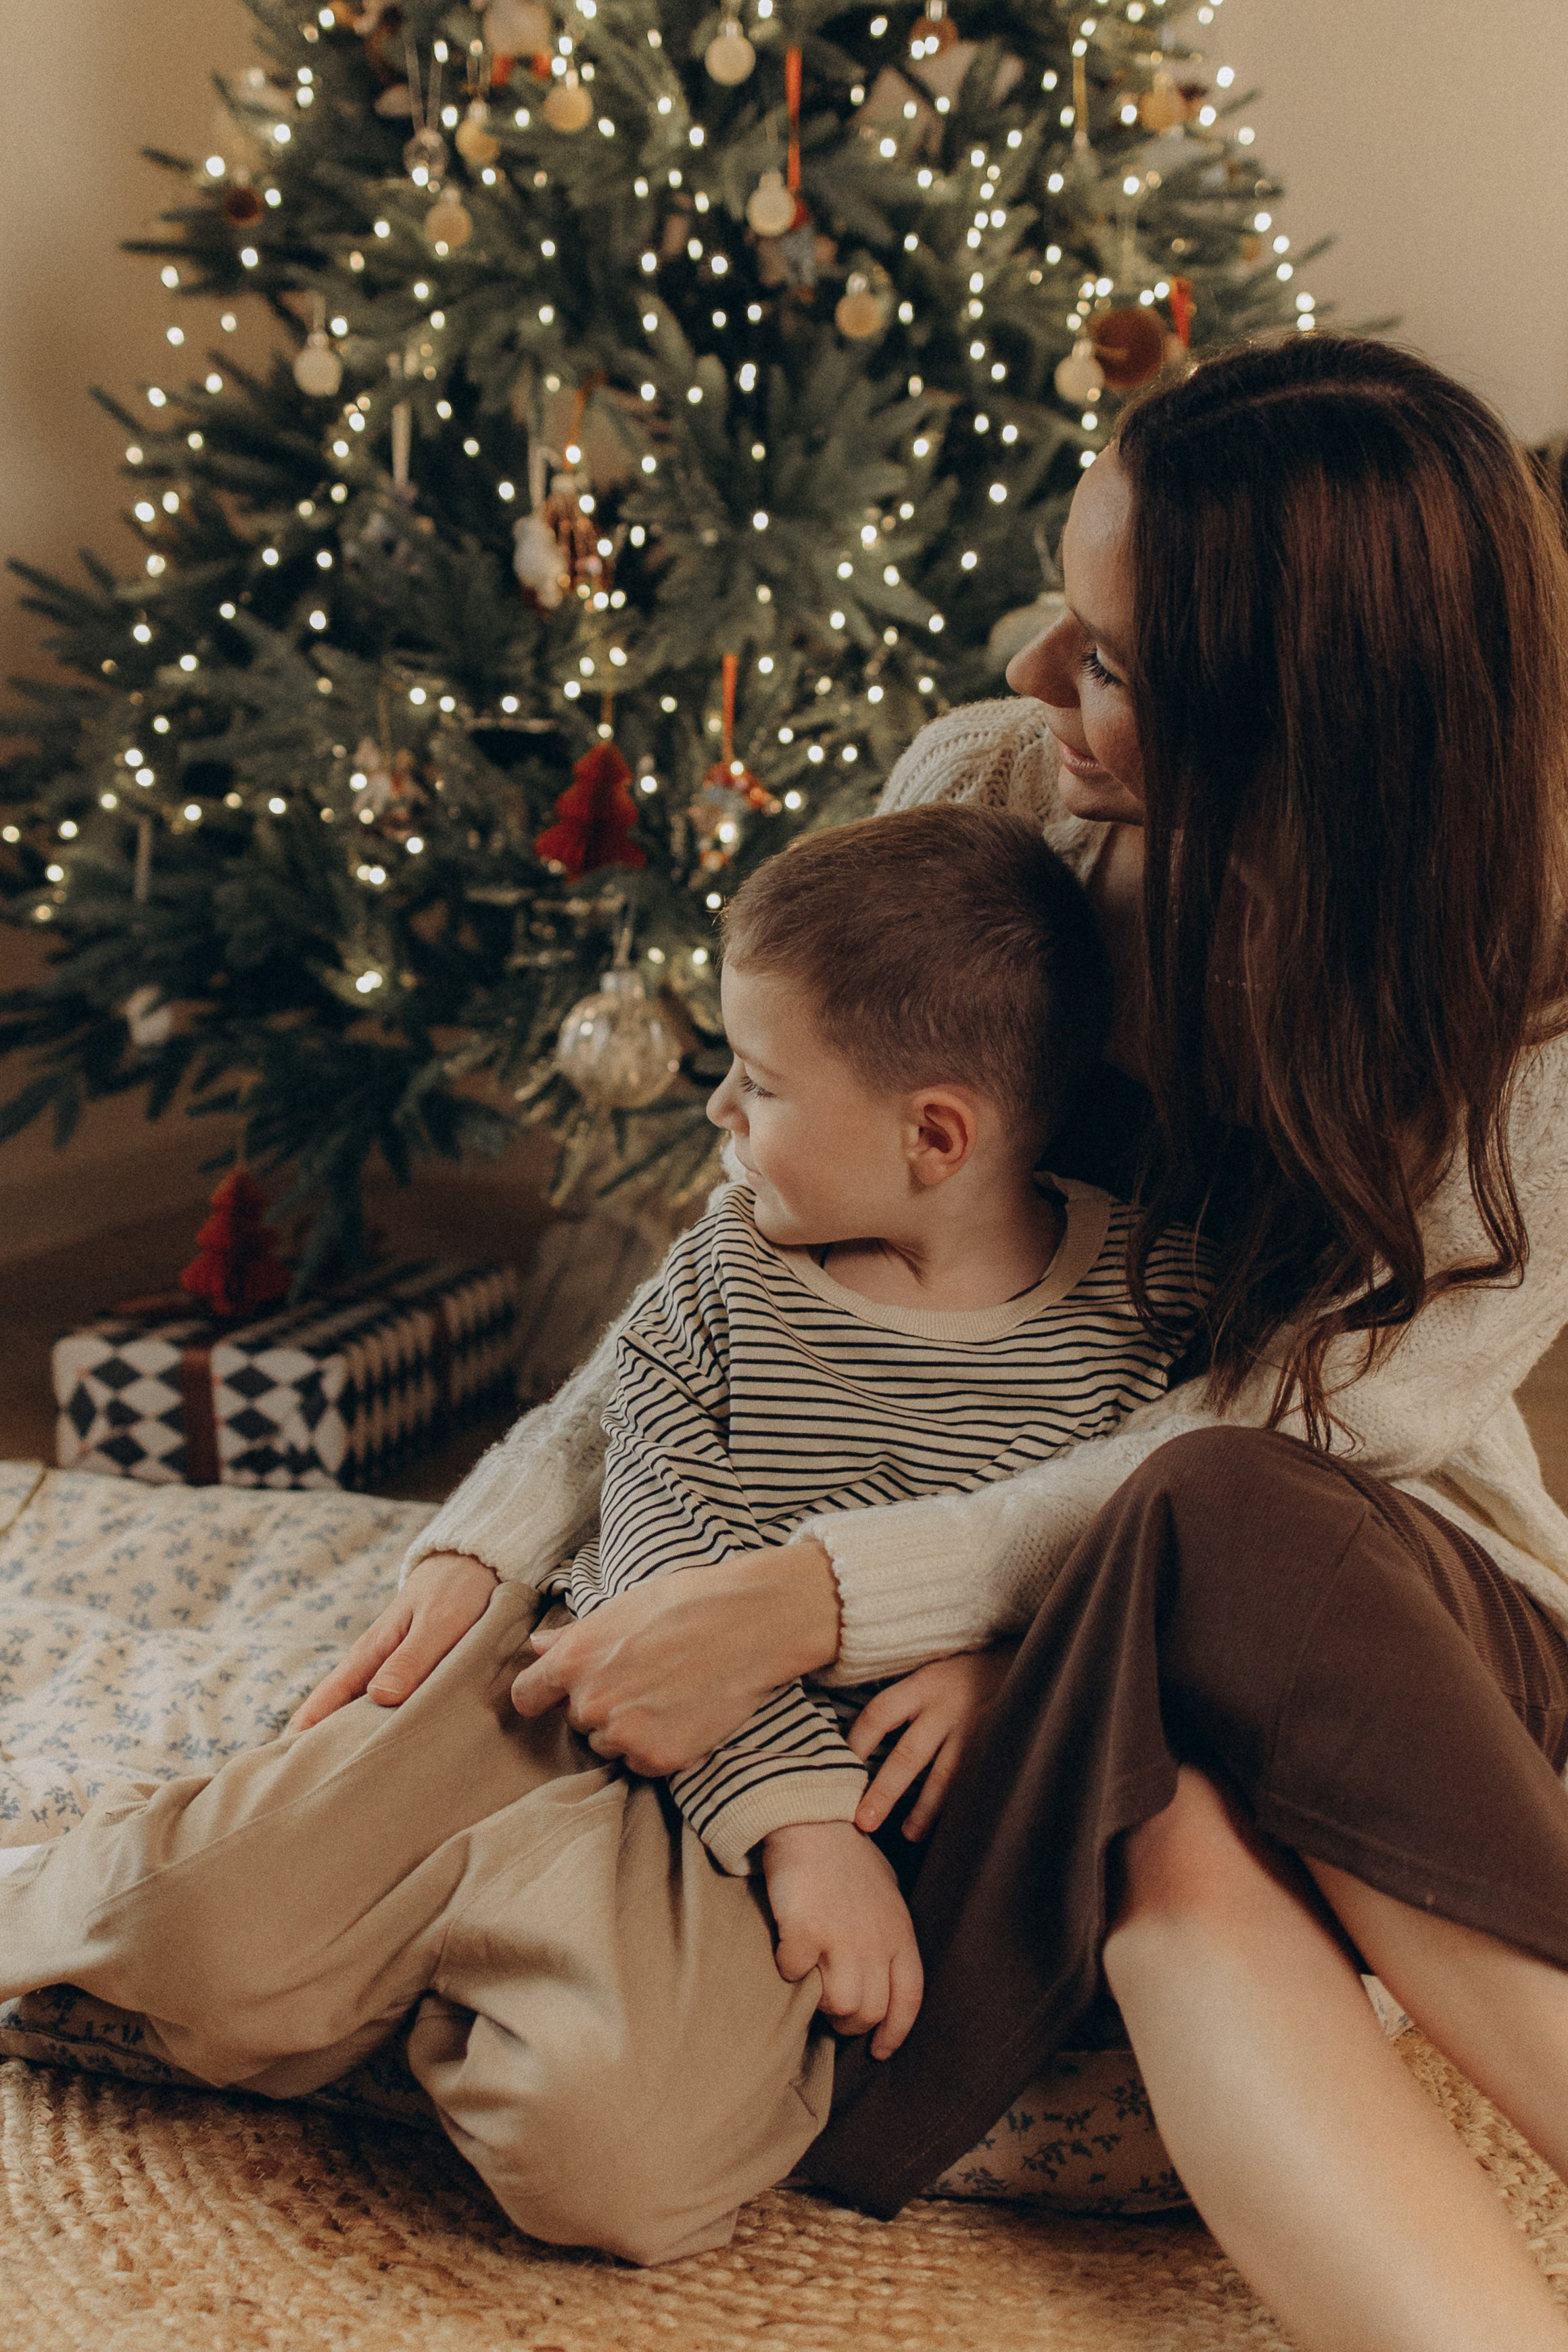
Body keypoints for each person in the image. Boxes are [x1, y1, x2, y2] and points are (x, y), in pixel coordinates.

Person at [298, 335, 1568, 2352]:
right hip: (1054, 1668)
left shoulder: (1532, 1012)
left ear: (1307, 727)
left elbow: (1311, 1427)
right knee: (1167, 1828)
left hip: (1384, 1626)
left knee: (1224, 1499)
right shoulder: (993, 789)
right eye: (1072, 601)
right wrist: (519, 1500)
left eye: (1120, 662)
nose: (1040, 671)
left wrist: (813, 1599)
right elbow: (767, 1204)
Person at [0, 803, 1208, 2260]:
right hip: (582, 1675)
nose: (716, 1114)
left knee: (610, 2168)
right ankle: (424, 1931)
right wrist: (800, 1819)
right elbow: (648, 1528)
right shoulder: (729, 1259)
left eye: (754, 1083)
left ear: (934, 1134)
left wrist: (978, 1678)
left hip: (781, 1802)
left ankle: (482, 1967)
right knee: (176, 1942)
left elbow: (1148, 1550)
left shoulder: (1148, 1306)